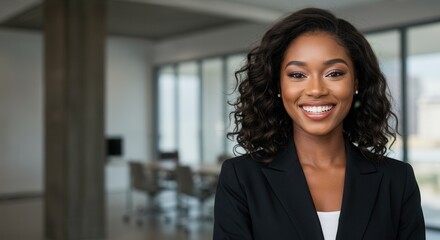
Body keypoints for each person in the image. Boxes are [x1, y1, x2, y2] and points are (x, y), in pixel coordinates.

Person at [213, 7, 425, 240]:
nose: (316, 90)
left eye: (334, 73)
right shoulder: (241, 178)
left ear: (356, 81)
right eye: (297, 75)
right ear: (278, 86)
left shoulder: (397, 180)